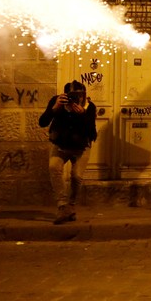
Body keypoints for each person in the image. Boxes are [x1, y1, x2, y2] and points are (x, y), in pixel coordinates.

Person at [39, 80, 97, 225]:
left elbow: (92, 133)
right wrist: (54, 108)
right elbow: (42, 122)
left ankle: (71, 205)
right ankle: (62, 206)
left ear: (84, 95)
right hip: (60, 145)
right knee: (54, 167)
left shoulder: (89, 107)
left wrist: (83, 115)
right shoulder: (57, 102)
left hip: (81, 147)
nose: (76, 99)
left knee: (76, 176)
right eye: (72, 95)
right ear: (64, 95)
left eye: (80, 95)